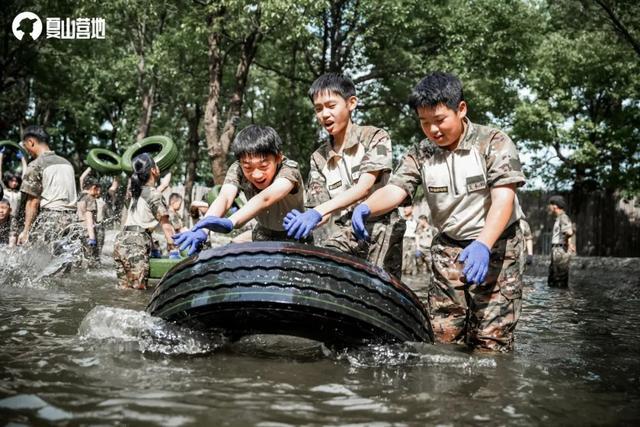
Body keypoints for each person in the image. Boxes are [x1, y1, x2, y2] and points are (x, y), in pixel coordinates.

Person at [350, 72, 526, 352]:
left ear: (461, 109)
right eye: (424, 123)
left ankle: (490, 393)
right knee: (443, 338)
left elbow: (504, 200)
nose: (433, 130)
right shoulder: (421, 153)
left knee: (491, 341)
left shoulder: (493, 142)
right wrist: (366, 206)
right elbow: (397, 190)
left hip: (497, 247)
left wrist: (483, 243)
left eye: (440, 120)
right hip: (448, 249)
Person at [283, 73, 405, 278]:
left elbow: (364, 187)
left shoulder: (374, 137)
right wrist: (303, 219)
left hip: (380, 230)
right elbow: (321, 211)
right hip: (343, 234)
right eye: (318, 109)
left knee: (380, 296)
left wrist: (317, 212)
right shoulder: (318, 157)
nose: (324, 114)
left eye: (331, 106)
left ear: (351, 103)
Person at [174, 125, 307, 255]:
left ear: (278, 158)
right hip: (263, 234)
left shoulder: (289, 170)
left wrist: (231, 221)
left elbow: (266, 198)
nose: (256, 174)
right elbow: (225, 198)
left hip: (296, 236)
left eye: (263, 166)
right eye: (248, 167)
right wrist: (202, 229)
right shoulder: (238, 169)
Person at [113, 153, 176, 289]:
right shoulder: (154, 195)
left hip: (121, 241)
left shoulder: (134, 192)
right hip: (136, 243)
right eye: (157, 165)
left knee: (124, 290)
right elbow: (166, 226)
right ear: (153, 170)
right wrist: (174, 248)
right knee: (138, 291)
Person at [17, 126, 80, 253]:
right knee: (66, 265)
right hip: (73, 220)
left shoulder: (36, 165)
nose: (27, 150)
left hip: (51, 220)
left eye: (25, 146)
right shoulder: (67, 163)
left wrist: (26, 231)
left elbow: (32, 202)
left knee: (43, 265)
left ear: (31, 142)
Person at [547, 195, 574, 287]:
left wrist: (566, 241)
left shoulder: (563, 217)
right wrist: (569, 242)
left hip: (560, 250)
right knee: (553, 279)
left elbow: (569, 232)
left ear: (555, 206)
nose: (548, 207)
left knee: (559, 281)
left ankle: (561, 300)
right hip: (557, 249)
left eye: (549, 205)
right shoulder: (559, 218)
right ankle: (555, 300)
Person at [76, 176, 103, 265]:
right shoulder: (90, 198)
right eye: (99, 189)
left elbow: (81, 178)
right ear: (93, 187)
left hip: (79, 230)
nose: (100, 192)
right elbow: (89, 217)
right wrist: (92, 238)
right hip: (88, 232)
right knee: (92, 261)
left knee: (79, 259)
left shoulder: (80, 196)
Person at [0, 145, 28, 220]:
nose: (14, 183)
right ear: (7, 181)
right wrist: (1, 155)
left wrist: (23, 158)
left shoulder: (19, 193)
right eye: (12, 181)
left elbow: (25, 176)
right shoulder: (3, 190)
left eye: (16, 181)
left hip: (14, 220)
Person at [402, 205, 418, 276]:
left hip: (412, 240)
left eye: (407, 207)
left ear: (412, 208)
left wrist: (418, 247)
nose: (404, 209)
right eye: (404, 207)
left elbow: (417, 234)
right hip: (403, 239)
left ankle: (408, 274)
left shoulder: (416, 221)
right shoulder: (401, 219)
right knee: (402, 257)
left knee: (411, 258)